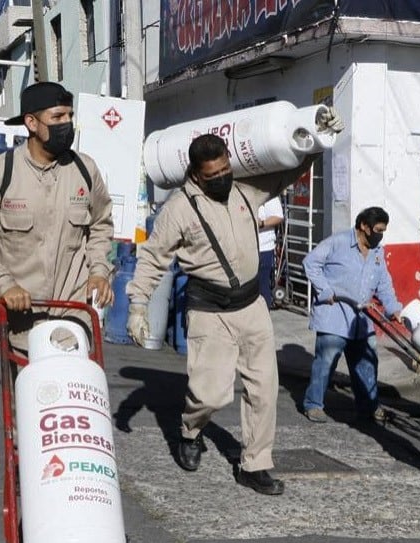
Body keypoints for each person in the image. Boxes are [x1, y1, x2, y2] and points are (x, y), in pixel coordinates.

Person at [125, 111, 342, 496]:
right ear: (196, 174)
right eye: (213, 176)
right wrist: (138, 305)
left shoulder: (243, 188)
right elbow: (154, 256)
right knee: (211, 394)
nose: (222, 178)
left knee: (263, 389)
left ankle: (254, 465)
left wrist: (314, 141)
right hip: (209, 311)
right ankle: (191, 430)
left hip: (251, 305)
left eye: (226, 169)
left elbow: (283, 175)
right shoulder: (178, 210)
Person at [0, 82, 114, 352]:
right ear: (31, 122)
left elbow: (100, 227)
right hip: (21, 327)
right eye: (57, 117)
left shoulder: (85, 170)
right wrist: (4, 285)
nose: (67, 124)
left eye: (69, 116)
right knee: (30, 394)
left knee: (75, 393)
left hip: (73, 322)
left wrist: (99, 272)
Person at [301, 206, 404, 424]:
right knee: (326, 360)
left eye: (384, 231)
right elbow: (310, 263)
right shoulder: (337, 242)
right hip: (335, 314)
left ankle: (368, 406)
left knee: (367, 363)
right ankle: (314, 404)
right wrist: (325, 290)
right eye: (377, 230)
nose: (380, 235)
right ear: (363, 227)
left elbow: (384, 283)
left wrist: (393, 308)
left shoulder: (377, 252)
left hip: (361, 318)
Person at [256, 197, 284, 307]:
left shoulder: (268, 195)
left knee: (262, 287)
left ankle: (264, 318)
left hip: (263, 248)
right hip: (244, 247)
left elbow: (278, 216)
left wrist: (261, 223)